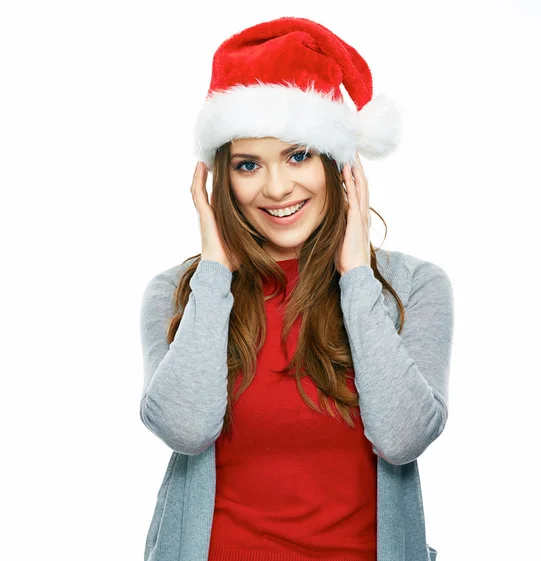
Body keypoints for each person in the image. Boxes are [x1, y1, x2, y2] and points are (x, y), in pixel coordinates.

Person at [139, 16, 454, 561]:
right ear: (220, 177)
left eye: (298, 155)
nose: (277, 187)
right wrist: (214, 269)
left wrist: (356, 273)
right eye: (248, 164)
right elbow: (186, 429)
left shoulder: (411, 287)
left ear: (340, 164)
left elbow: (403, 438)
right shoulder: (181, 292)